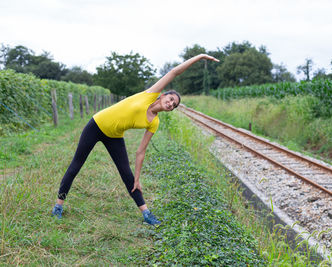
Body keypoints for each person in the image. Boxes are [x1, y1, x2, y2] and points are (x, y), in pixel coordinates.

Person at [51, 54, 219, 225]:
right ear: (162, 96)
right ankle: (58, 206)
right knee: (76, 166)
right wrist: (199, 58)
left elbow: (141, 151)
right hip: (96, 125)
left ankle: (146, 213)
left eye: (174, 106)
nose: (170, 105)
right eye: (170, 100)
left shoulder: (154, 122)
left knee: (128, 176)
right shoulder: (149, 94)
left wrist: (138, 178)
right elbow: (174, 72)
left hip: (114, 136)